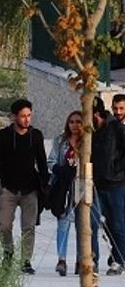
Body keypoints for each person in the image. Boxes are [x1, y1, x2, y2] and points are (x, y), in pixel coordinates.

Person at [0, 99, 47, 275]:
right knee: (4, 225)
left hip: (30, 189)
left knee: (28, 227)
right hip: (8, 188)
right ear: (14, 117)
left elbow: (42, 162)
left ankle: (26, 260)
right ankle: (7, 253)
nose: (26, 120)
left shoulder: (36, 135)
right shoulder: (3, 135)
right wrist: (0, 181)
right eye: (23, 116)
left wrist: (44, 186)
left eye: (29, 116)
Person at [50, 111, 93, 276]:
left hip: (83, 184)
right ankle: (62, 259)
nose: (75, 125)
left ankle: (80, 260)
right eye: (72, 122)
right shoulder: (60, 141)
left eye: (78, 122)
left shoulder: (88, 142)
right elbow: (51, 160)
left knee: (82, 223)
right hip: (64, 184)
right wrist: (59, 170)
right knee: (63, 221)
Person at [92, 97, 125, 275]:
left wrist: (115, 170)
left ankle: (119, 260)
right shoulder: (93, 130)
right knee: (107, 224)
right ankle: (117, 253)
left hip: (116, 184)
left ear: (96, 114)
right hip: (98, 184)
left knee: (118, 223)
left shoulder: (116, 128)